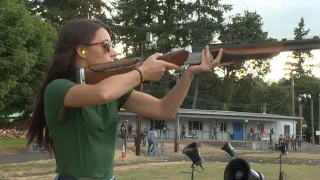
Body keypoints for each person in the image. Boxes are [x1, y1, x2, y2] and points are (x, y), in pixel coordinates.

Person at [26, 18, 225, 180]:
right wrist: (142, 72)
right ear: (81, 50)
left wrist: (189, 74)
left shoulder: (115, 91)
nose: (113, 52)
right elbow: (102, 94)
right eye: (106, 45)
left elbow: (164, 110)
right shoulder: (58, 88)